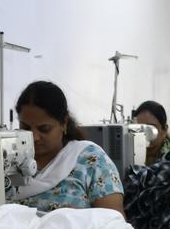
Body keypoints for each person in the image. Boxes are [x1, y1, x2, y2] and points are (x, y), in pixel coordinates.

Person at [11, 81, 124, 214]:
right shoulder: (11, 162)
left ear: (63, 123)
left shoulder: (92, 161)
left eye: (44, 129)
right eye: (25, 128)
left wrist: (80, 218)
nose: (34, 137)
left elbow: (114, 220)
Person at [132, 100, 170, 165]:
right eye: (139, 128)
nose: (144, 134)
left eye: (150, 128)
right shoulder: (130, 152)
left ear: (164, 130)